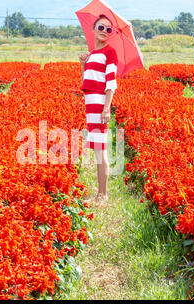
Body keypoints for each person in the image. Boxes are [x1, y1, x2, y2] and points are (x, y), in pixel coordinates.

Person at [79, 14, 118, 202]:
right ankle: (100, 193)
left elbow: (111, 83)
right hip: (91, 106)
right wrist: (82, 65)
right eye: (101, 27)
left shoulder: (110, 53)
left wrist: (106, 109)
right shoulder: (92, 53)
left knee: (100, 150)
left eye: (108, 29)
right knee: (96, 150)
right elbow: (86, 82)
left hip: (100, 107)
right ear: (93, 29)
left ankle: (103, 195)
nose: (105, 31)